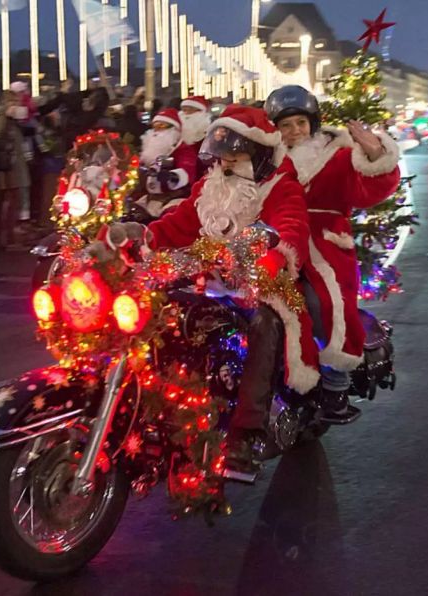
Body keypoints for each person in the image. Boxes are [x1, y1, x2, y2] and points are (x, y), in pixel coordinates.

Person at [99, 105, 319, 471]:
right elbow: (182, 222)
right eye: (223, 153)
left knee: (265, 323)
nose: (228, 161)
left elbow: (292, 226)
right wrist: (147, 235)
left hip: (265, 281)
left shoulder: (282, 185)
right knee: (161, 308)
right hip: (210, 271)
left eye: (237, 152)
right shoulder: (211, 184)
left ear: (259, 152)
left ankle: (247, 433)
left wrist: (274, 255)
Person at [265, 85, 400, 420]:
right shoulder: (266, 159)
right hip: (276, 241)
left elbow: (370, 189)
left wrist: (374, 155)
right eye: (286, 125)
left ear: (312, 122)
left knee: (322, 302)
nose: (294, 130)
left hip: (323, 245)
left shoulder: (337, 155)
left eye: (300, 122)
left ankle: (335, 384)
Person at [134, 107, 199, 217]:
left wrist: (171, 177)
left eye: (162, 126)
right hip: (150, 197)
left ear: (174, 130)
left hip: (174, 197)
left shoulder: (183, 150)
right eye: (155, 127)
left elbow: (188, 172)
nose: (157, 131)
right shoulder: (151, 151)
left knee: (171, 215)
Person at [0, 91, 30, 249]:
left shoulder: (6, 121)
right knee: (11, 201)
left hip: (8, 166)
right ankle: (7, 236)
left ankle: (1, 234)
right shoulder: (5, 121)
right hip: (10, 166)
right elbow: (4, 142)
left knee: (5, 200)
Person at [179, 95, 213, 179]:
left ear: (200, 112)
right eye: (184, 110)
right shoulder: (176, 133)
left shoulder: (209, 132)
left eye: (190, 110)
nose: (185, 114)